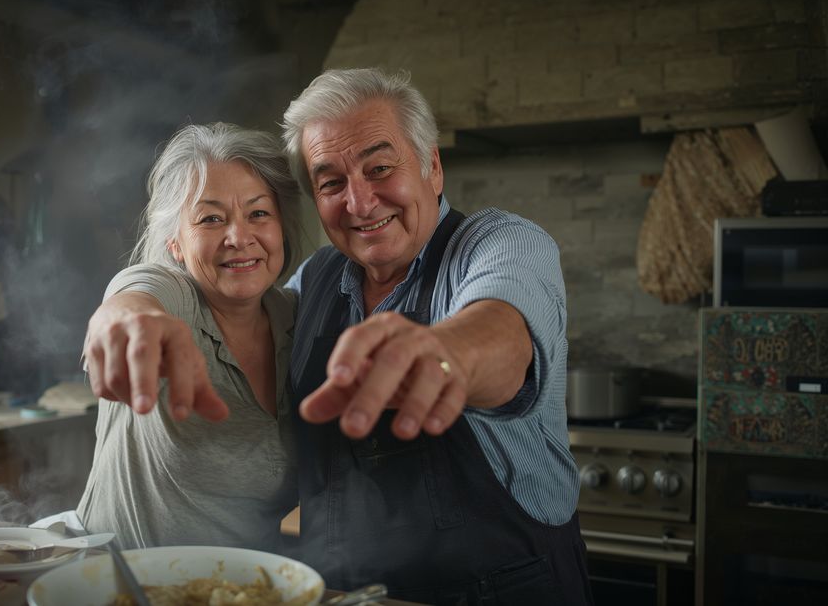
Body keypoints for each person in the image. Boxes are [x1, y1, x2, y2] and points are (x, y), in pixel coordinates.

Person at [85, 69, 592, 605]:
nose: (360, 201)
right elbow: (155, 285)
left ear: (432, 167)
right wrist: (125, 307)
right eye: (331, 182)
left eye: (380, 168)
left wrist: (449, 355)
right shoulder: (313, 284)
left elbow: (501, 333)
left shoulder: (498, 244)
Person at [76, 122, 301, 552]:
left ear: (281, 230)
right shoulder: (173, 295)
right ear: (176, 244)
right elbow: (133, 297)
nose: (239, 238)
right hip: (120, 589)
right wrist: (126, 321)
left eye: (258, 213)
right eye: (211, 219)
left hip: (242, 593)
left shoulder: (298, 319)